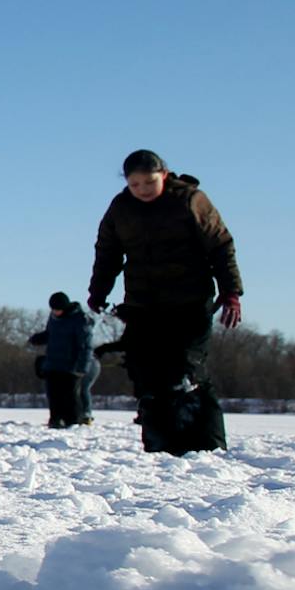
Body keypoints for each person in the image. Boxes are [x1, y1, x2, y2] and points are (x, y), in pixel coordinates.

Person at [87, 149, 243, 454]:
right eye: (135, 185)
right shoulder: (121, 208)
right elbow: (107, 252)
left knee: (186, 372)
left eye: (149, 182)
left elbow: (221, 245)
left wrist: (231, 292)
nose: (143, 190)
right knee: (147, 373)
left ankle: (209, 446)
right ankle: (160, 447)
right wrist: (98, 292)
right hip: (144, 305)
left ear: (165, 176)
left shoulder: (190, 200)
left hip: (190, 302)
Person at [29, 292, 98, 429]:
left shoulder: (80, 319)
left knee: (71, 396)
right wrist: (39, 338)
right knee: (53, 394)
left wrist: (82, 367)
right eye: (53, 309)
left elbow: (85, 346)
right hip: (53, 363)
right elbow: (51, 334)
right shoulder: (54, 318)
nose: (55, 312)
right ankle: (55, 419)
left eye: (57, 309)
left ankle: (73, 422)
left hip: (71, 366)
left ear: (65, 307)